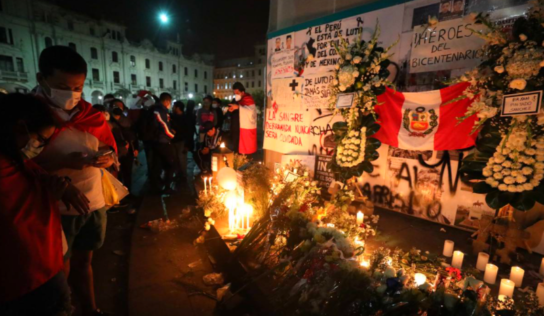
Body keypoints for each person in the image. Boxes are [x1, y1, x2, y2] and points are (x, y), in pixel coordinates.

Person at [32, 46, 116, 316]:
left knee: (85, 261)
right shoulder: (29, 118)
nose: (71, 94)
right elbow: (20, 167)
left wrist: (108, 157)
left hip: (93, 201)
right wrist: (63, 164)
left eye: (77, 87)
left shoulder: (90, 114)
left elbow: (109, 148)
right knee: (60, 269)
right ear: (41, 79)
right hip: (55, 208)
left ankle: (91, 309)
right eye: (62, 86)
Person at [0, 93, 90, 316]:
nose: (40, 147)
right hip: (24, 282)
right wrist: (51, 195)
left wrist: (63, 185)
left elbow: (38, 175)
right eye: (40, 139)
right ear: (20, 128)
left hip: (47, 268)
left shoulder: (17, 160)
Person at [149, 92, 177, 194]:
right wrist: (172, 136)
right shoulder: (159, 111)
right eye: (169, 102)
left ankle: (156, 186)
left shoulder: (156, 109)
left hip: (157, 141)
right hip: (163, 141)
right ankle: (167, 186)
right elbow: (164, 126)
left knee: (157, 164)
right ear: (166, 101)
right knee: (171, 164)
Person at [228, 82, 257, 155]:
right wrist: (230, 110)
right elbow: (231, 111)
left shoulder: (248, 99)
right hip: (235, 128)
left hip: (243, 130)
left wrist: (238, 107)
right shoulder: (235, 100)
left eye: (237, 93)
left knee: (243, 151)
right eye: (234, 93)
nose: (236, 95)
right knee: (235, 149)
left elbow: (251, 112)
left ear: (242, 92)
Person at [170, 101, 188, 179]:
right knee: (175, 158)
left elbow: (188, 130)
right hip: (173, 140)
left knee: (181, 158)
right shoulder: (172, 116)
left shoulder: (184, 117)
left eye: (174, 106)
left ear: (178, 108)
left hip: (181, 140)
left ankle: (183, 174)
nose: (173, 108)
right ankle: (178, 173)